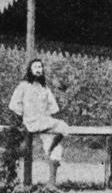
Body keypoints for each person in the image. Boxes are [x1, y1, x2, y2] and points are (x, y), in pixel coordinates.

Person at [9, 58, 70, 186]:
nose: (38, 69)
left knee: (62, 134)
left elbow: (52, 107)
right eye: (35, 67)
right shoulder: (23, 86)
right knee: (61, 128)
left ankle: (51, 183)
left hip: (44, 121)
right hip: (31, 122)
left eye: (40, 67)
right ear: (30, 70)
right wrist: (20, 120)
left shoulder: (44, 88)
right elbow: (15, 105)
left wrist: (50, 118)